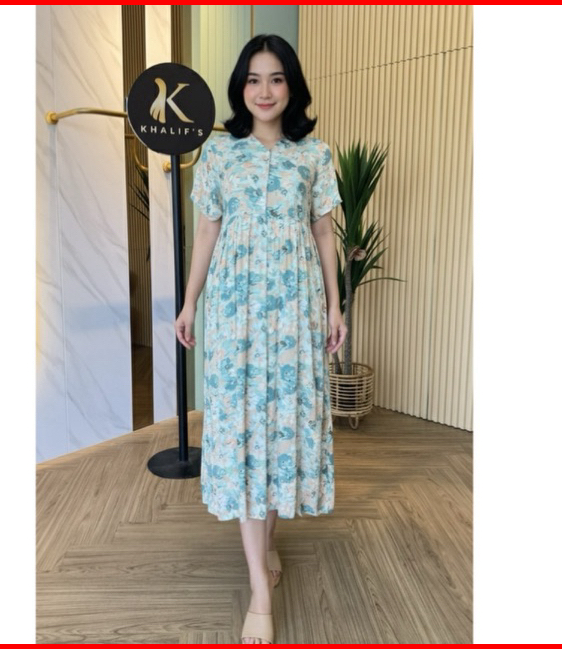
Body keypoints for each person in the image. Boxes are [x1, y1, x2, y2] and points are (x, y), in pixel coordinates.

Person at [175, 33, 346, 644]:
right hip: (236, 312)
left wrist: (335, 305)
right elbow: (206, 233)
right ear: (240, 87)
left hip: (296, 310)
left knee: (282, 428)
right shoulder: (220, 155)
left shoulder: (314, 155)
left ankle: (268, 541)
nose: (264, 90)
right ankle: (259, 589)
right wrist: (190, 302)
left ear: (291, 86)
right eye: (253, 79)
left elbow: (324, 234)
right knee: (245, 426)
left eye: (276, 78)